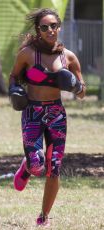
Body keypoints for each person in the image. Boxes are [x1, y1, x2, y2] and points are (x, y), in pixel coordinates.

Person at [9, 8, 86, 227]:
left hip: (56, 115)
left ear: (59, 27)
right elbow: (14, 76)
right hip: (32, 113)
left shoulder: (68, 57)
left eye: (54, 26)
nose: (50, 30)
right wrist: (14, 90)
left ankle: (43, 217)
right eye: (45, 27)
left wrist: (75, 86)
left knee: (54, 167)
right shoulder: (27, 54)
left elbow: (82, 93)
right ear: (38, 30)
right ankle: (27, 167)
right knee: (37, 166)